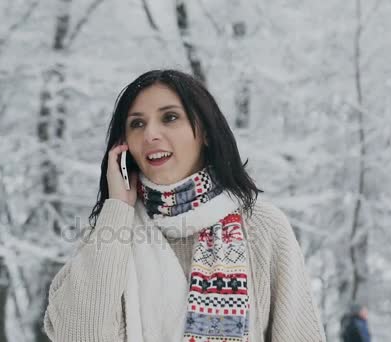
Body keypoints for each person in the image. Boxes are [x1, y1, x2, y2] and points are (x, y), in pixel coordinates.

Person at [43, 69, 326, 341]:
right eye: (137, 123)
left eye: (170, 117)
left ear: (204, 132)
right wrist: (117, 209)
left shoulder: (261, 225)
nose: (150, 134)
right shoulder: (111, 229)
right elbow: (78, 335)